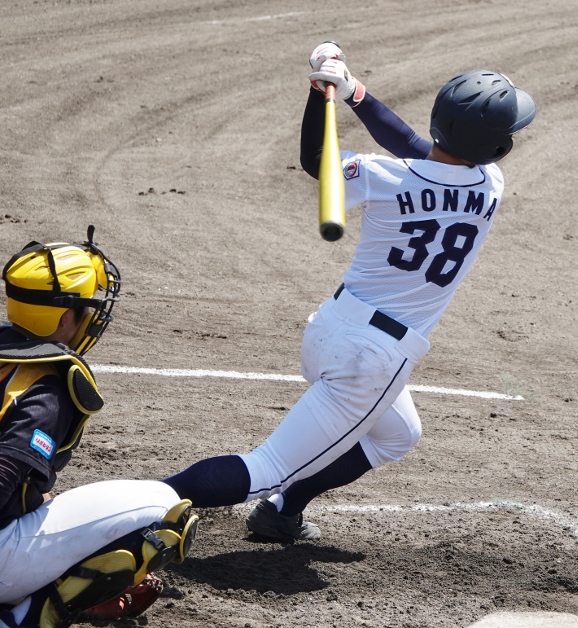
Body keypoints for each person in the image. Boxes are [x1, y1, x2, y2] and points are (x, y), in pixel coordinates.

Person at [162, 42, 537, 543]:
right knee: (267, 467)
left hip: (332, 328)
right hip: (371, 360)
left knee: (397, 434)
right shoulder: (491, 184)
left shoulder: (383, 177)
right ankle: (135, 505)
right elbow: (413, 147)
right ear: (496, 148)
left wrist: (327, 90)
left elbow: (320, 158)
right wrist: (352, 91)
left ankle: (282, 513)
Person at [0, 227, 199, 628]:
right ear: (66, 317)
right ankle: (21, 618)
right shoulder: (45, 386)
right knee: (164, 512)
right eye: (89, 308)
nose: (94, 317)